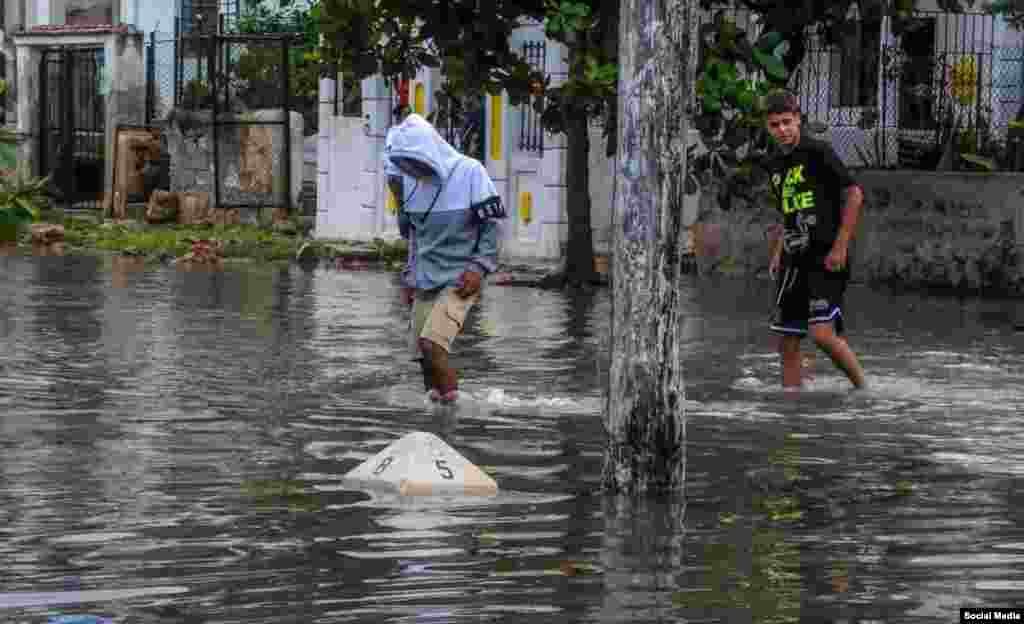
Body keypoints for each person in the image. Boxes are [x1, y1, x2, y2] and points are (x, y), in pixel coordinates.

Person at [385, 113, 505, 403]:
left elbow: (493, 225)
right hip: (424, 279)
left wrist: (479, 268)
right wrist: (409, 277)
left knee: (432, 345)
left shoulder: (470, 171)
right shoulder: (410, 185)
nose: (411, 169)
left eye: (414, 161)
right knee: (422, 357)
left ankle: (454, 413)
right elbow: (413, 235)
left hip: (461, 278)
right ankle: (435, 416)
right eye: (404, 164)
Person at [764, 89, 867, 390]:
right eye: (775, 125)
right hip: (792, 260)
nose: (782, 130)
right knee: (787, 341)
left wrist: (841, 246)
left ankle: (864, 389)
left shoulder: (817, 151)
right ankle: (791, 406)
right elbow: (788, 211)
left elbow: (854, 194)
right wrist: (776, 254)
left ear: (798, 120)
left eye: (787, 122)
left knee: (822, 334)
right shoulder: (773, 164)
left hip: (825, 255)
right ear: (767, 127)